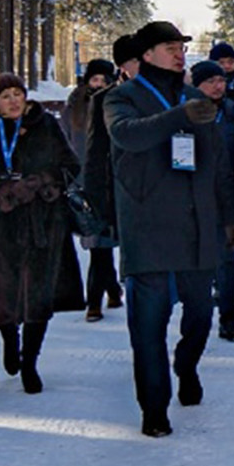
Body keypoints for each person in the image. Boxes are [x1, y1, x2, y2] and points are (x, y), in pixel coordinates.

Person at [102, 21, 234, 438]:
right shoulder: (120, 97)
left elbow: (218, 165)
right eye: (169, 46)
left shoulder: (194, 96)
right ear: (146, 54)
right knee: (148, 323)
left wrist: (229, 215)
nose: (180, 52)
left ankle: (186, 365)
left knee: (200, 315)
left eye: (182, 45)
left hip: (197, 224)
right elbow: (127, 136)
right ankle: (154, 408)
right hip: (147, 224)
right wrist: (177, 116)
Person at [0, 75, 83, 393]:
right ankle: (9, 338)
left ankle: (30, 361)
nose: (14, 101)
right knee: (4, 290)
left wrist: (39, 183)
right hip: (1, 224)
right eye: (5, 96)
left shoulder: (47, 125)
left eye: (18, 94)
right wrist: (3, 192)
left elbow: (70, 164)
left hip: (43, 223)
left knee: (39, 293)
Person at [79, 35, 138, 321]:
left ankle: (119, 290)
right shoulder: (103, 99)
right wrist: (91, 191)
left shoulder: (168, 95)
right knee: (100, 247)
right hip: (108, 184)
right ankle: (95, 300)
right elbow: (93, 149)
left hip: (145, 192)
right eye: (133, 61)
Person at [191, 60, 234, 343]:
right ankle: (197, 317)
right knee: (197, 264)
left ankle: (229, 318)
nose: (218, 86)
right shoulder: (184, 114)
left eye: (222, 80)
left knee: (229, 261)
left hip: (228, 197)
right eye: (211, 81)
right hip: (193, 198)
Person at [63, 59, 115, 165]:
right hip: (80, 164)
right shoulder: (74, 105)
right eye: (95, 80)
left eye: (104, 81)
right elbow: (63, 136)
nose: (99, 85)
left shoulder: (116, 105)